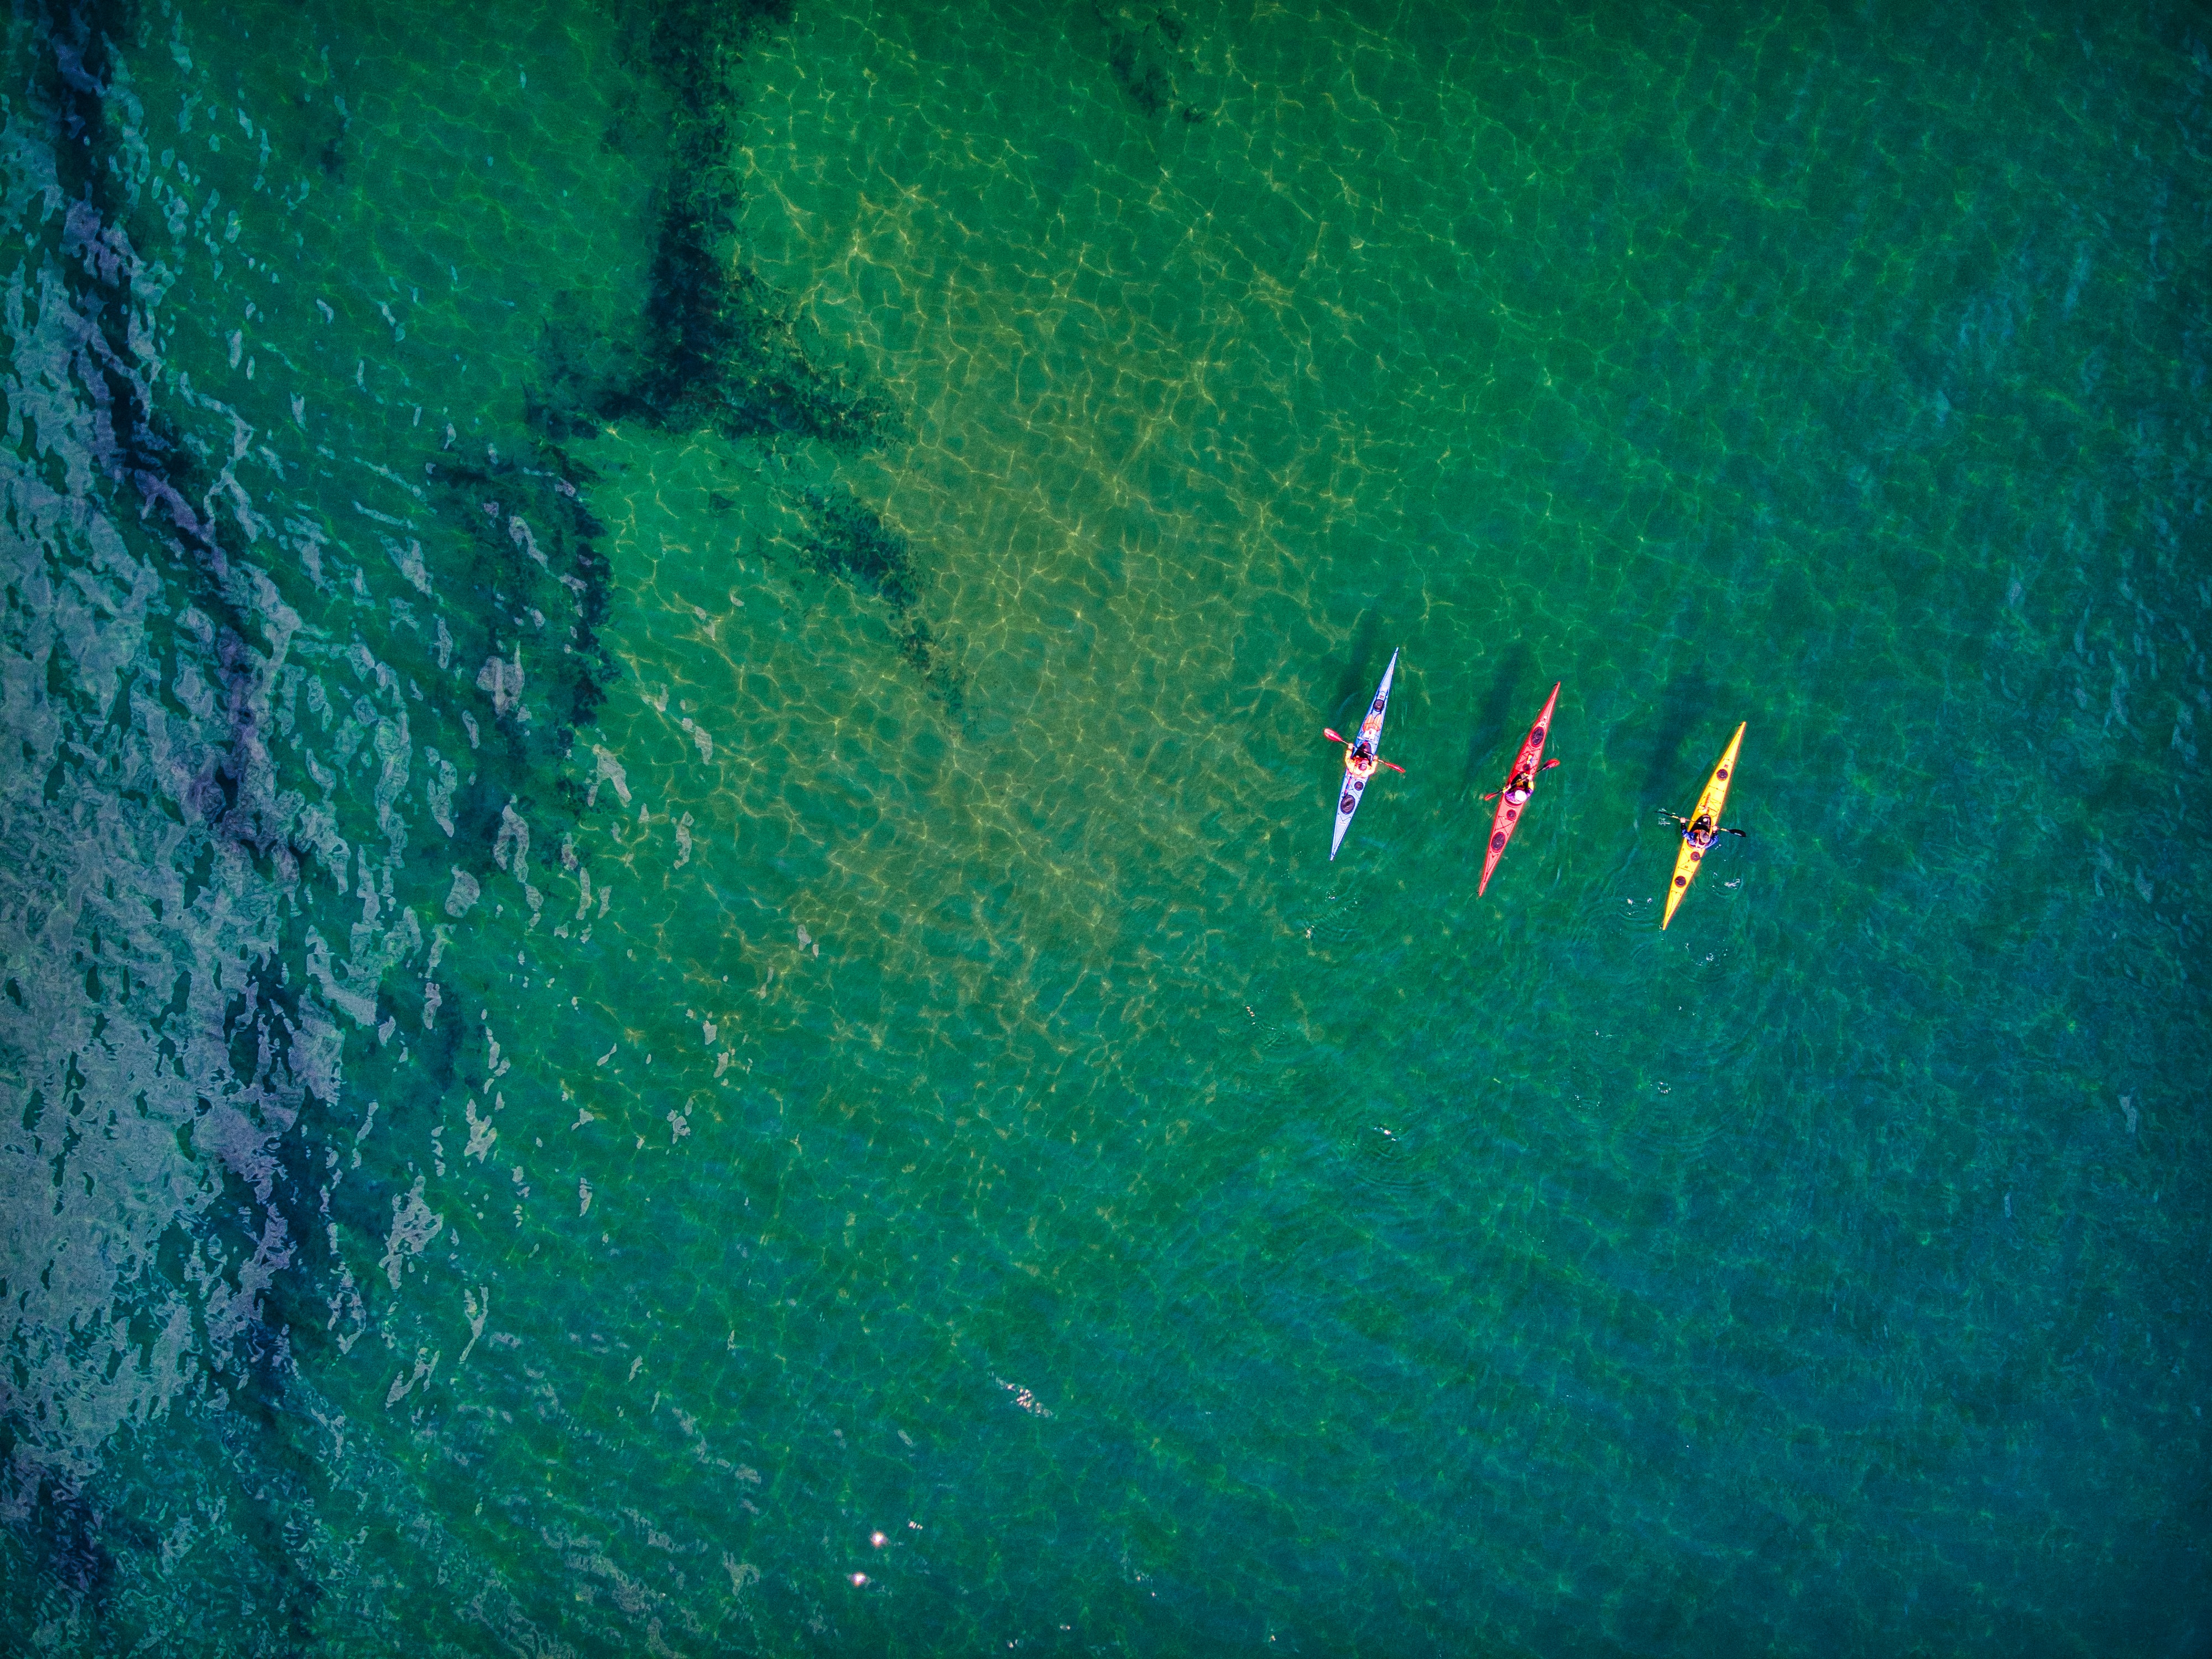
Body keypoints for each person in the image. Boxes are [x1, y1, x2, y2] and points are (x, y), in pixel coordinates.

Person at [1481, 756, 1560, 804]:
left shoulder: (1511, 796)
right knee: (1525, 776)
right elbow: (1531, 788)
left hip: (1513, 798)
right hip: (1519, 797)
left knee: (1518, 778)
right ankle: (1529, 764)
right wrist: (1530, 779)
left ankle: (1525, 767)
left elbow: (1506, 792)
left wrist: (1508, 788)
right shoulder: (1527, 794)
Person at [1661, 808, 1746, 847]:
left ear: (1699, 837)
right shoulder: (1709, 843)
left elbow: (1684, 834)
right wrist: (1715, 831)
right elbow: (1716, 839)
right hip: (1700, 847)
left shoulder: (1692, 837)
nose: (1703, 832)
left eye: (1702, 834)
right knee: (1707, 824)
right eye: (1705, 833)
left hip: (1692, 844)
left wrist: (1683, 823)